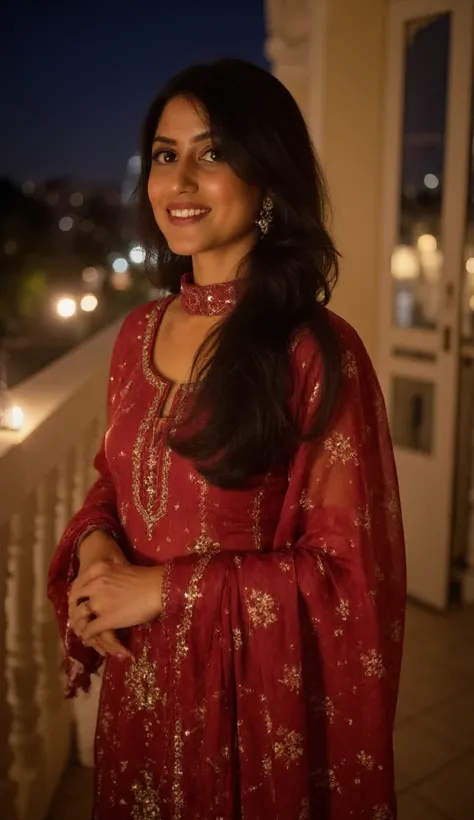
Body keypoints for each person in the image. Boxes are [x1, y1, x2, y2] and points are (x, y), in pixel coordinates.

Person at [48, 58, 406, 820]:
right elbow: (113, 482)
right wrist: (95, 547)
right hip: (137, 702)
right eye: (165, 156)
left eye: (213, 154)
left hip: (244, 716)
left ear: (268, 178)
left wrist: (162, 591)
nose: (180, 182)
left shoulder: (315, 352)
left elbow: (350, 579)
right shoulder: (137, 334)